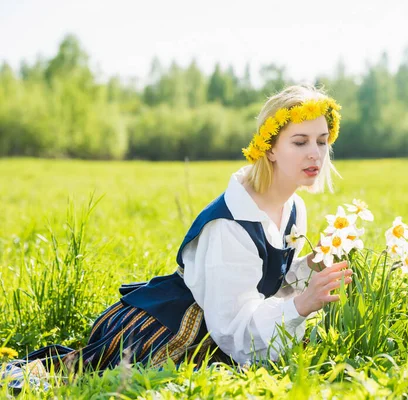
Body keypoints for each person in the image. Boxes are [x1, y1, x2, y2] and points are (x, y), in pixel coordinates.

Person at [2, 84, 353, 386]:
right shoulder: (229, 225)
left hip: (219, 317)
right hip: (172, 326)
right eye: (300, 141)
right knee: (121, 376)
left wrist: (310, 265)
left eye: (322, 141)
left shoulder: (294, 208)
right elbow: (233, 329)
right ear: (271, 149)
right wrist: (302, 304)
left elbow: (264, 280)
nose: (314, 153)